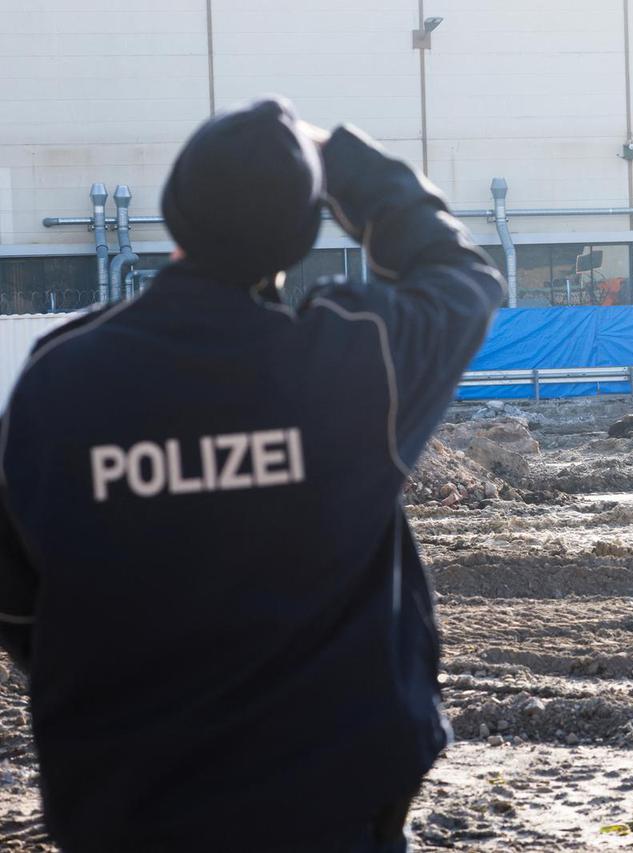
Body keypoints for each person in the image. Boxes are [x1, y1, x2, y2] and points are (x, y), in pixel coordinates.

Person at [0, 97, 505, 851]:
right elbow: (460, 274)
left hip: (127, 813)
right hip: (328, 817)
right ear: (298, 236)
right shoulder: (351, 363)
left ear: (176, 209)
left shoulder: (61, 376)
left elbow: (19, 604)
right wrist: (339, 159)